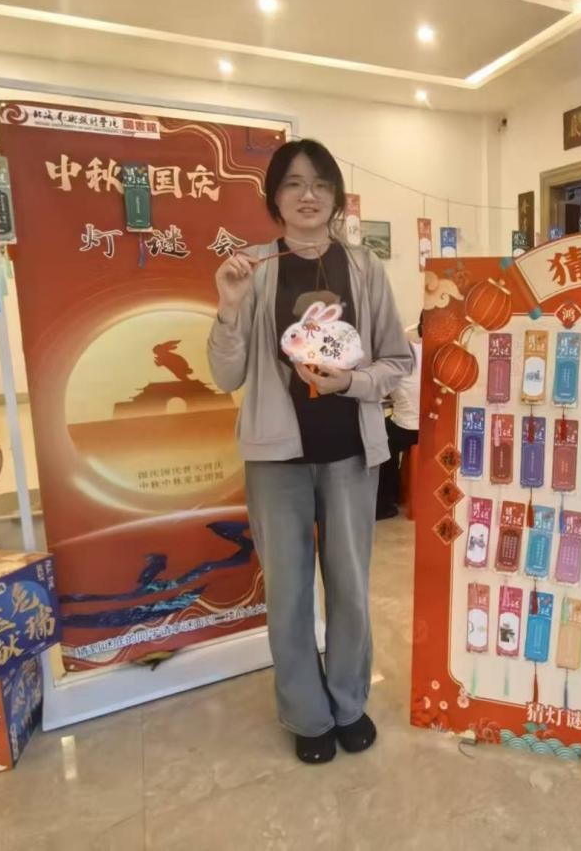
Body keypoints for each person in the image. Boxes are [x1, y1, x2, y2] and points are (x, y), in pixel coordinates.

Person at [208, 138, 411, 765]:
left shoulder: (364, 267)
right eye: (293, 183)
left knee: (350, 586)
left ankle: (348, 702)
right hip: (276, 458)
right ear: (274, 196)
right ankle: (306, 713)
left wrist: (350, 382)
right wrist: (229, 307)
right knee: (290, 593)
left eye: (320, 183)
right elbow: (225, 374)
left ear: (336, 197)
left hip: (350, 451)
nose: (308, 195)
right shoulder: (254, 269)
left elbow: (396, 360)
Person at [376, 314, 422, 519]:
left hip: (408, 428)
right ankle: (400, 491)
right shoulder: (429, 351)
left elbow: (380, 393)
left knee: (380, 439)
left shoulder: (394, 359)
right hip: (432, 427)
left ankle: (385, 502)